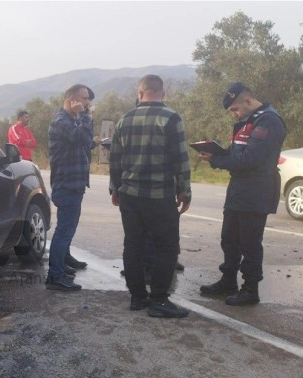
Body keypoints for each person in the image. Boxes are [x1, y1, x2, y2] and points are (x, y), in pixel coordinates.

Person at [109, 74, 191, 317]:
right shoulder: (171, 118)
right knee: (167, 247)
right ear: (162, 93)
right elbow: (181, 159)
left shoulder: (125, 119)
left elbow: (115, 159)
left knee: (132, 245)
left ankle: (137, 297)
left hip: (130, 195)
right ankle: (158, 300)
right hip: (159, 196)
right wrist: (185, 191)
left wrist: (115, 189)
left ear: (140, 92)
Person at [197, 82, 287, 306]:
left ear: (248, 101)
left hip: (257, 189)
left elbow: (251, 159)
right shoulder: (247, 121)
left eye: (235, 109)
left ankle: (250, 289)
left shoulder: (268, 120)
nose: (234, 114)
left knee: (250, 242)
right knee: (230, 239)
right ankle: (228, 281)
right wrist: (218, 153)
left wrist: (217, 160)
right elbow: (238, 153)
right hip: (239, 187)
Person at [45, 84, 101, 291]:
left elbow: (85, 141)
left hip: (73, 184)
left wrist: (86, 123)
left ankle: (62, 264)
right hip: (66, 184)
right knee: (64, 231)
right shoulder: (61, 121)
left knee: (67, 229)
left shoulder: (72, 120)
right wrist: (86, 116)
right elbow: (80, 137)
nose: (88, 103)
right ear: (72, 99)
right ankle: (55, 276)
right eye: (85, 98)